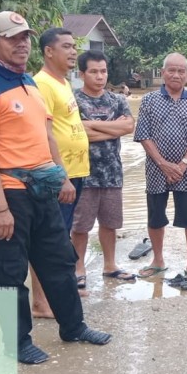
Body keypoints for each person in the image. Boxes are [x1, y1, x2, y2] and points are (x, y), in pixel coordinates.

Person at [0, 10, 111, 365]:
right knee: (10, 271)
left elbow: (47, 136)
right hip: (8, 193)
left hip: (42, 188)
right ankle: (17, 342)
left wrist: (61, 177)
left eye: (24, 37)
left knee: (60, 261)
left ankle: (73, 327)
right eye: (12, 38)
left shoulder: (29, 84)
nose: (21, 44)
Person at [132, 53, 187, 284]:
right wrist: (163, 164)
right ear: (163, 72)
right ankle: (157, 260)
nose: (176, 75)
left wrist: (183, 164)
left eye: (181, 71)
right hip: (156, 169)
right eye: (171, 70)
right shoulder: (149, 100)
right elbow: (143, 135)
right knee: (155, 217)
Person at [31, 28, 90, 308]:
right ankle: (41, 301)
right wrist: (61, 176)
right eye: (66, 46)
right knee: (47, 239)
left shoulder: (63, 83)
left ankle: (60, 291)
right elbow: (45, 134)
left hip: (75, 172)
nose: (73, 51)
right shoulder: (42, 84)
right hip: (59, 176)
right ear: (48, 51)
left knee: (61, 236)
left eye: (74, 46)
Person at [71, 50, 136, 284]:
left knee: (110, 223)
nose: (100, 76)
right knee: (80, 226)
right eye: (94, 72)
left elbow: (128, 127)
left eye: (103, 71)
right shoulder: (73, 101)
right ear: (82, 74)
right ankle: (79, 269)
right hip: (82, 174)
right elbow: (76, 133)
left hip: (112, 172)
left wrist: (90, 125)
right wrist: (112, 128)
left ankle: (110, 266)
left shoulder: (117, 100)